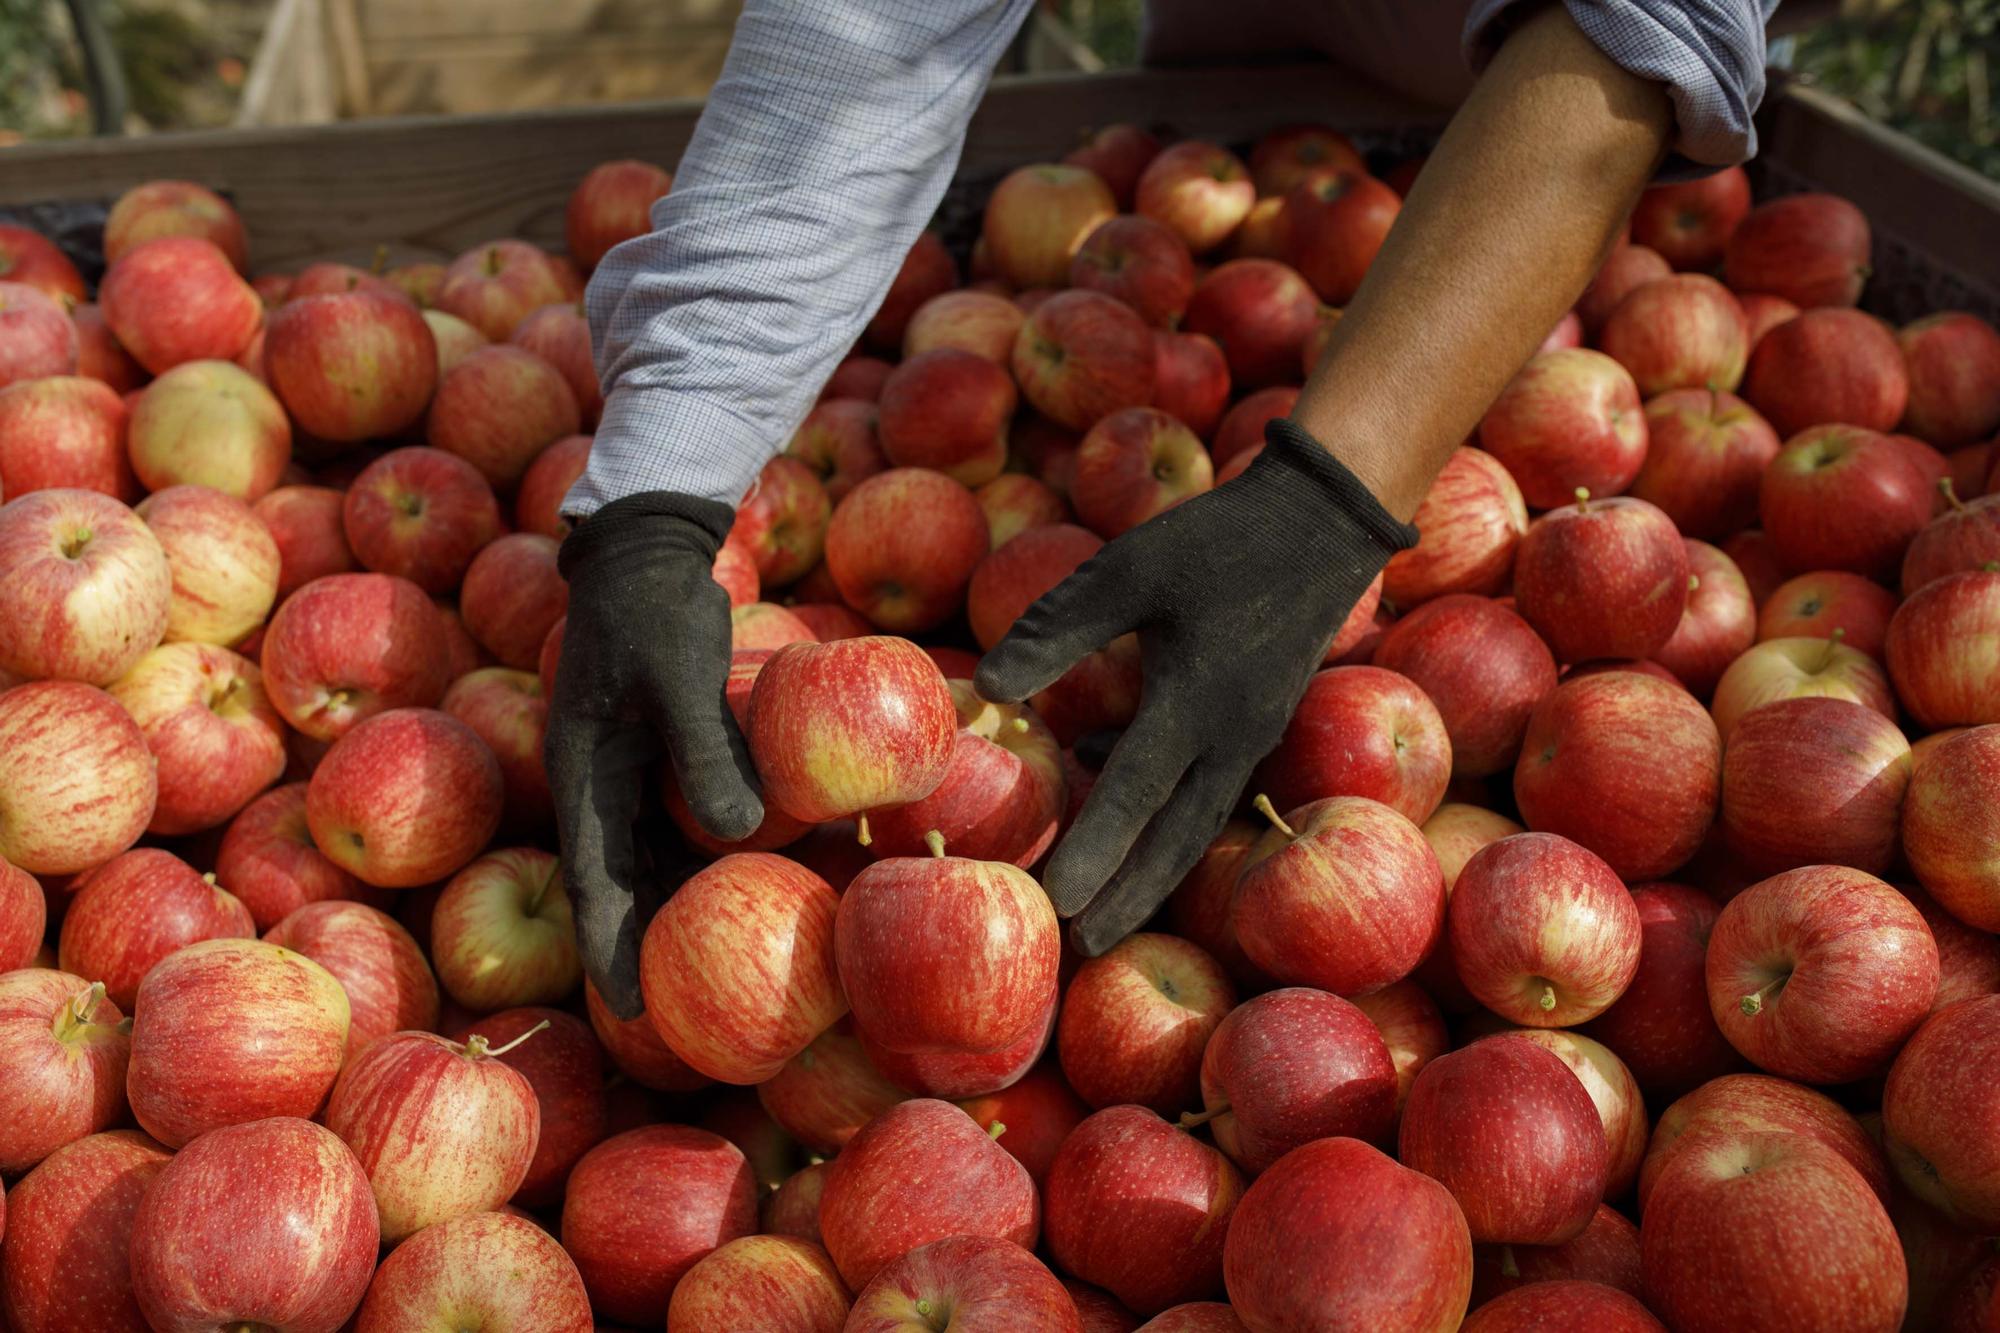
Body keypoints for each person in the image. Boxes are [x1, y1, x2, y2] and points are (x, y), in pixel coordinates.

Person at [550, 0, 1777, 1016]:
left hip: (1537, 101)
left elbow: (1654, 18)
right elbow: (871, 30)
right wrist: (660, 489)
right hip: (1256, 66)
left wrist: (1339, 485)